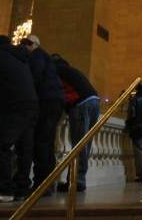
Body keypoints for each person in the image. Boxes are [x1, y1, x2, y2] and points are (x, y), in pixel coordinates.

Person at [0, 35, 40, 202]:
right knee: (24, 150)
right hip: (32, 105)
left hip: (14, 105)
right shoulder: (22, 58)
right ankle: (22, 189)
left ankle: (4, 190)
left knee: (0, 146)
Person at [20, 35, 65, 195]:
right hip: (55, 100)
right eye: (24, 43)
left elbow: (35, 76)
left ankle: (41, 183)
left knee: (41, 141)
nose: (26, 46)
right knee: (47, 142)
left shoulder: (38, 55)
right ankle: (48, 181)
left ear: (36, 45)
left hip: (47, 100)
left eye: (29, 43)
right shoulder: (46, 58)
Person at [50, 54, 100, 192]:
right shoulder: (71, 70)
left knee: (78, 145)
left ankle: (76, 181)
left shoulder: (55, 70)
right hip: (95, 101)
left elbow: (56, 92)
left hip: (81, 103)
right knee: (85, 144)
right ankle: (78, 179)